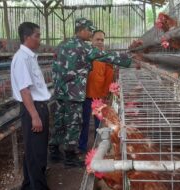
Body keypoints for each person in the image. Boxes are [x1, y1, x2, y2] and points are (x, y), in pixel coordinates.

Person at [49, 17, 132, 167]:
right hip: (74, 93)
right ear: (82, 30)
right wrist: (130, 60)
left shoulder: (62, 45)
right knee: (74, 123)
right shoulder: (83, 47)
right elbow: (107, 56)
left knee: (60, 121)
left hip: (60, 91)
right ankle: (70, 157)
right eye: (89, 30)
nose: (90, 33)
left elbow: (54, 67)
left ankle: (54, 152)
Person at [11, 22, 51, 190]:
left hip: (38, 107)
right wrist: (35, 116)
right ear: (27, 37)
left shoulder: (30, 57)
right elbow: (24, 90)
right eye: (37, 36)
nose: (40, 40)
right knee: (37, 154)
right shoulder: (21, 58)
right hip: (33, 108)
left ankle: (28, 186)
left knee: (34, 151)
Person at [78, 29, 114, 153]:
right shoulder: (84, 55)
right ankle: (82, 148)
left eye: (102, 40)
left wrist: (105, 94)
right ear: (91, 40)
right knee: (84, 123)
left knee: (100, 125)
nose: (100, 42)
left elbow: (109, 77)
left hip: (99, 97)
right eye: (97, 39)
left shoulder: (106, 57)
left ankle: (98, 148)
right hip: (84, 96)